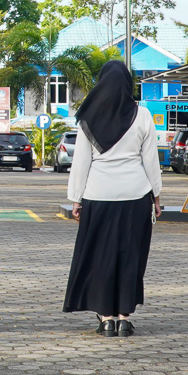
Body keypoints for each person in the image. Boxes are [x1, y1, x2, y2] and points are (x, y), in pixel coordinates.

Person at [63, 59, 161, 336]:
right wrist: (156, 196)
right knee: (131, 255)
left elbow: (81, 163)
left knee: (101, 256)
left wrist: (76, 199)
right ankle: (124, 318)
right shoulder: (142, 115)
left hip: (98, 195)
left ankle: (106, 319)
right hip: (136, 195)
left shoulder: (88, 117)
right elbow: (150, 161)